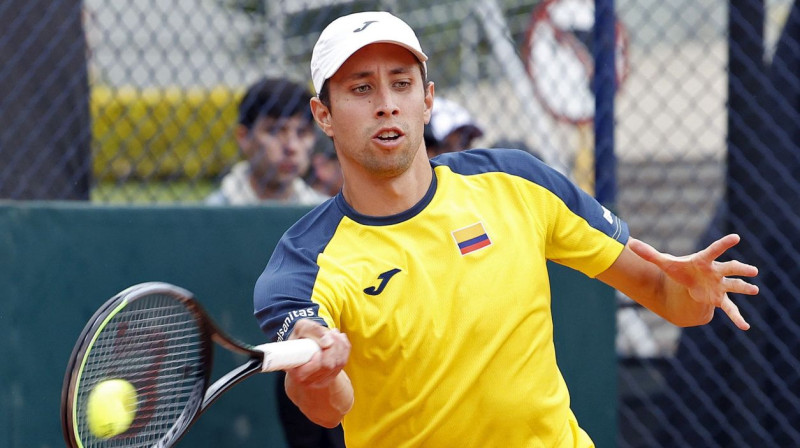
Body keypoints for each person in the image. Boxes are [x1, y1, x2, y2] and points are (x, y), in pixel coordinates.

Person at [252, 11, 759, 448]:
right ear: (324, 115)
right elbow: (326, 408)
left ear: (426, 99)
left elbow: (666, 297)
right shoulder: (304, 263)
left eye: (401, 83)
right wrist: (319, 371)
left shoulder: (517, 181)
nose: (386, 103)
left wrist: (694, 292)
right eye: (361, 88)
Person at [205, 77, 328, 206]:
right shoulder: (213, 214)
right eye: (274, 131)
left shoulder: (326, 213)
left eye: (302, 132)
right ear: (244, 137)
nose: (292, 147)